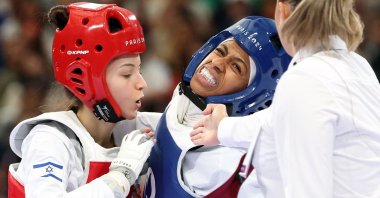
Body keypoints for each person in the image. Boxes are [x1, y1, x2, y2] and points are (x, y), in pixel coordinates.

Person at [191, 0, 380, 197]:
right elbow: (275, 121)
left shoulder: (307, 79)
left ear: (282, 11)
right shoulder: (357, 65)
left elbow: (307, 192)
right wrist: (223, 128)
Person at [122, 16, 291, 197]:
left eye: (236, 67)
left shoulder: (234, 166)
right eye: (220, 51)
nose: (217, 63)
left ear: (255, 95)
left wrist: (120, 177)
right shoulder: (183, 102)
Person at [7, 2, 154, 197]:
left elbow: (188, 123)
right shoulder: (50, 141)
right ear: (85, 79)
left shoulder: (136, 130)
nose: (142, 83)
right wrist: (121, 176)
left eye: (139, 70)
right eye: (127, 73)